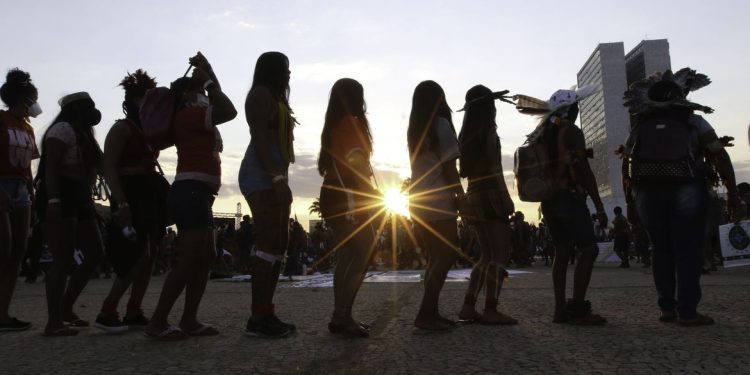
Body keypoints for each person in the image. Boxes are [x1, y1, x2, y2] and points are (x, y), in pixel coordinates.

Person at [621, 68, 743, 326]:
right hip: (687, 187)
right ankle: (687, 311)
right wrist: (732, 192)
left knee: (661, 249)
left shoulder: (641, 126)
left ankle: (667, 307)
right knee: (688, 250)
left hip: (648, 193)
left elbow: (627, 163)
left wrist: (632, 201)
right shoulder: (694, 121)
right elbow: (719, 155)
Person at [145, 52, 237, 339]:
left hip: (198, 192)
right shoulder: (189, 115)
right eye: (200, 91)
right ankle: (158, 321)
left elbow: (217, 99)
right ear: (188, 95)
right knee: (190, 258)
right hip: (192, 191)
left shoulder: (190, 113)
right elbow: (228, 109)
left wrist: (208, 70)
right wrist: (207, 80)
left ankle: (189, 319)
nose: (205, 95)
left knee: (205, 256)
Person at [516, 85, 608, 325]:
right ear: (570, 109)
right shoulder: (570, 132)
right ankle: (578, 309)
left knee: (562, 251)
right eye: (576, 106)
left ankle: (560, 310)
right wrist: (598, 205)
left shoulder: (543, 132)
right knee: (589, 249)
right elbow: (584, 171)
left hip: (549, 201)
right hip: (569, 197)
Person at [95, 70, 168, 333]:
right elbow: (110, 168)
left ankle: (134, 309)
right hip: (129, 192)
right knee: (134, 254)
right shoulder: (120, 129)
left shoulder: (150, 131)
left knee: (149, 254)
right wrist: (121, 203)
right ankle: (107, 309)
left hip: (147, 192)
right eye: (144, 99)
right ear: (134, 100)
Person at [36, 92, 105, 336]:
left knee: (95, 253)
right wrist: (54, 199)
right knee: (62, 258)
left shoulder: (84, 134)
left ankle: (65, 308)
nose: (94, 111)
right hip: (60, 193)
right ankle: (53, 321)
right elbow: (50, 167)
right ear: (76, 109)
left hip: (79, 195)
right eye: (89, 106)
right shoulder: (62, 130)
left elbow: (98, 167)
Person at [318, 78, 381, 337]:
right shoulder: (352, 124)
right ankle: (342, 315)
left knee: (348, 255)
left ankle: (340, 314)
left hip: (334, 193)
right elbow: (357, 166)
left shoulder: (334, 126)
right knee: (365, 252)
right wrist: (373, 196)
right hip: (348, 197)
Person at [239, 52, 296, 338]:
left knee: (279, 245)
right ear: (273, 70)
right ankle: (256, 317)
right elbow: (260, 139)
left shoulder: (276, 97)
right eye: (285, 68)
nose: (289, 73)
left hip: (275, 174)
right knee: (267, 243)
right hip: (261, 174)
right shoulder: (260, 95)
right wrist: (275, 178)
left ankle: (266, 311)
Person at [455, 85, 517, 326]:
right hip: (491, 193)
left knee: (485, 255)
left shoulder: (465, 134)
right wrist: (505, 195)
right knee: (499, 254)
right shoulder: (488, 130)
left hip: (474, 194)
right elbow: (494, 166)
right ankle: (491, 308)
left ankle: (468, 306)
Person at [406, 80, 462, 330]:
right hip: (439, 200)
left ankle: (431, 311)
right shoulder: (440, 125)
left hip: (418, 201)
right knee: (446, 255)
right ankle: (427, 312)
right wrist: (460, 195)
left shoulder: (415, 130)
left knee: (435, 258)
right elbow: (450, 167)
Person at [0, 69, 40, 332]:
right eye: (33, 99)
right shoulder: (1, 120)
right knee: (3, 248)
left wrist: (31, 193)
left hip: (21, 188)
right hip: (1, 183)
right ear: (23, 99)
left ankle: (3, 313)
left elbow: (27, 165)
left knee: (17, 250)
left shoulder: (27, 127)